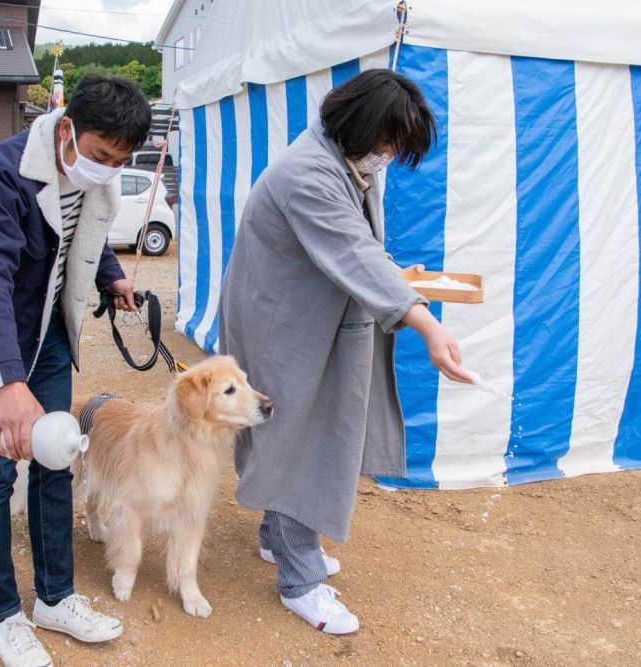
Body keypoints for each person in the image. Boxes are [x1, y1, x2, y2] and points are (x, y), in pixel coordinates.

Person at [218, 69, 473, 635]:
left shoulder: (350, 162)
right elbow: (352, 249)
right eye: (389, 140)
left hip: (301, 313)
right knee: (296, 439)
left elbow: (354, 249)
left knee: (298, 433)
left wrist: (395, 280)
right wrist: (426, 324)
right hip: (279, 321)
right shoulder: (308, 173)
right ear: (359, 126)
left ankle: (276, 539)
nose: (391, 153)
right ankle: (299, 579)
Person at [0, 74, 151, 667]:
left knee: (59, 458)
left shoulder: (92, 177)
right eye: (102, 156)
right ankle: (1, 613)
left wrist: (110, 274)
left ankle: (55, 596)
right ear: (67, 128)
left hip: (46, 326)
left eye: (121, 162)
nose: (107, 170)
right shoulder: (4, 175)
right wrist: (8, 381)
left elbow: (83, 229)